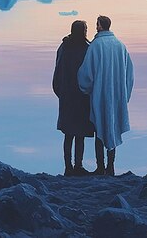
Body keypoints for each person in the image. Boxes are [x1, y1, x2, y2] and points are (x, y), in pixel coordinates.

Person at [78, 15, 134, 176]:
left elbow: (86, 73)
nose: (96, 27)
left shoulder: (95, 46)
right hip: (116, 96)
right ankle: (111, 166)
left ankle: (100, 167)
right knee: (112, 127)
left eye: (97, 24)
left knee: (99, 129)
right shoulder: (120, 45)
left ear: (101, 26)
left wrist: (86, 89)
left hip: (99, 94)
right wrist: (125, 94)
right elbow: (129, 74)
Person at [52, 20, 95, 176]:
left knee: (68, 132)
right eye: (85, 28)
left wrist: (60, 91)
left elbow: (57, 71)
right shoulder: (87, 49)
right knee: (80, 133)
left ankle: (68, 166)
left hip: (66, 96)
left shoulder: (64, 47)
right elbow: (91, 74)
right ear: (82, 31)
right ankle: (78, 165)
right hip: (82, 96)